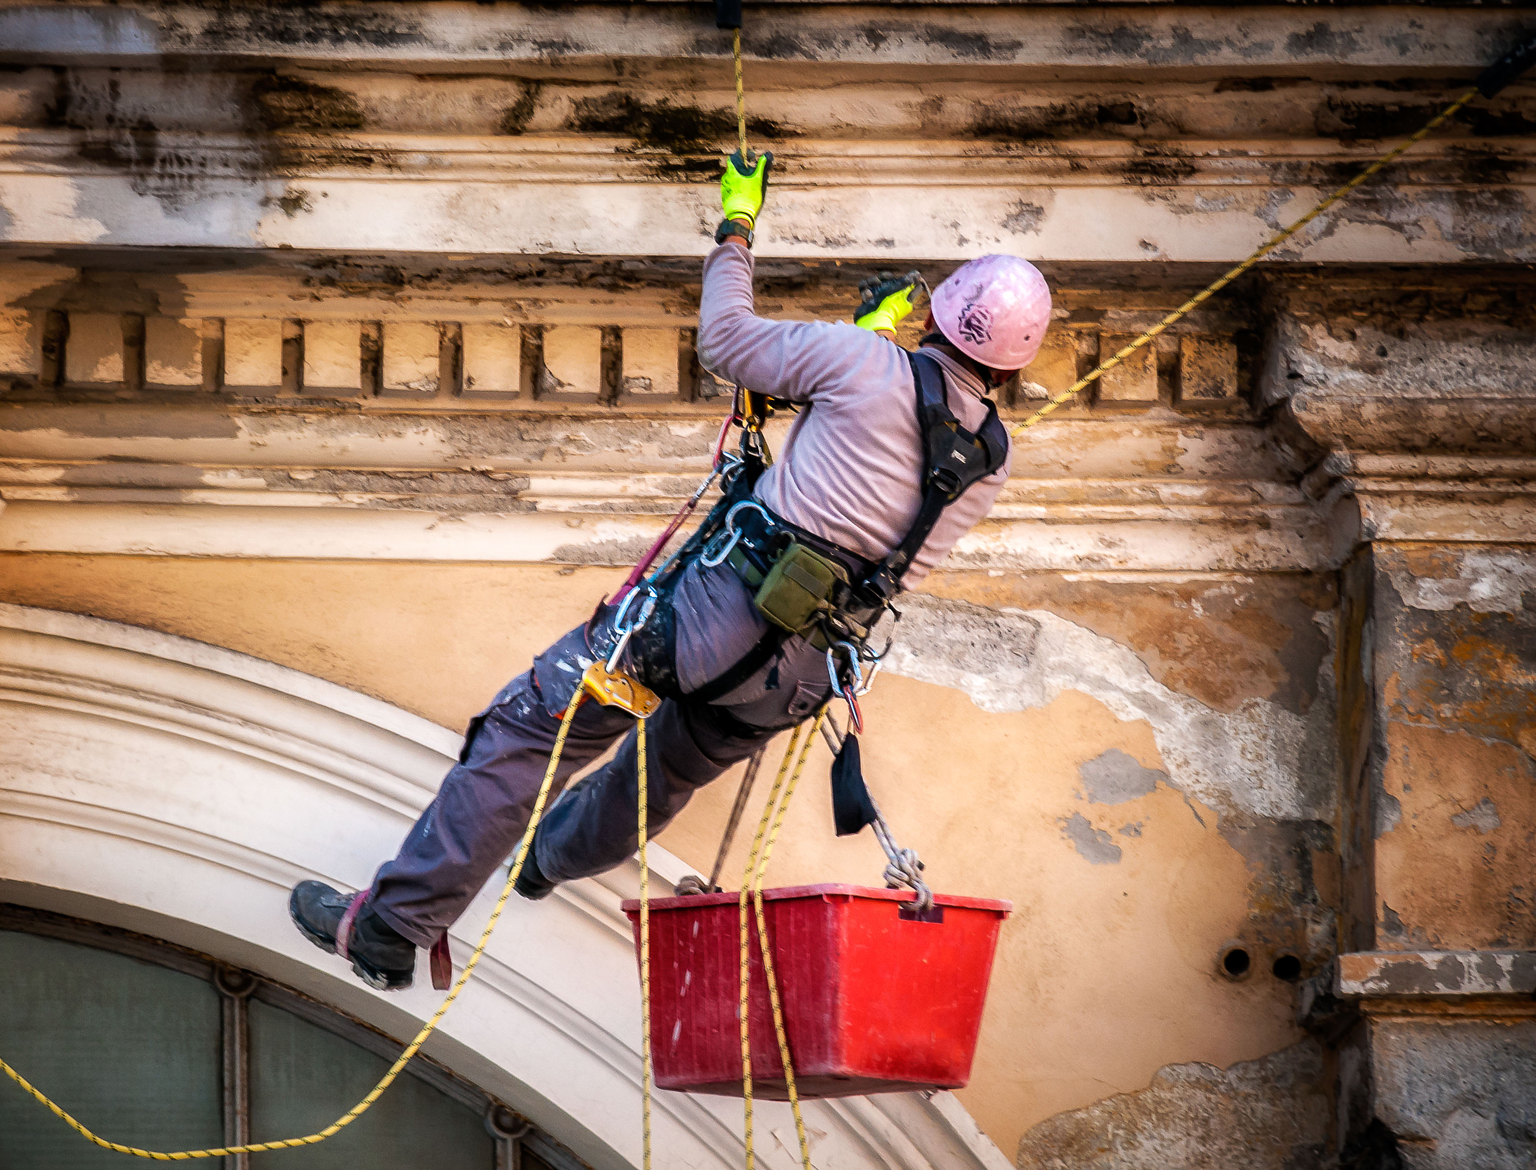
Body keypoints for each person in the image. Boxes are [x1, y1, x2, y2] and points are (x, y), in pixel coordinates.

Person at [289, 151, 1054, 990]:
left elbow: (729, 342)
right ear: (1013, 362)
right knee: (652, 781)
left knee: (527, 733)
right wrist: (863, 350)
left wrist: (736, 229)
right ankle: (547, 858)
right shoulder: (990, 457)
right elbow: (878, 470)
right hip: (795, 676)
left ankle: (391, 929)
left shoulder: (861, 364)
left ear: (936, 315)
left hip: (702, 620)